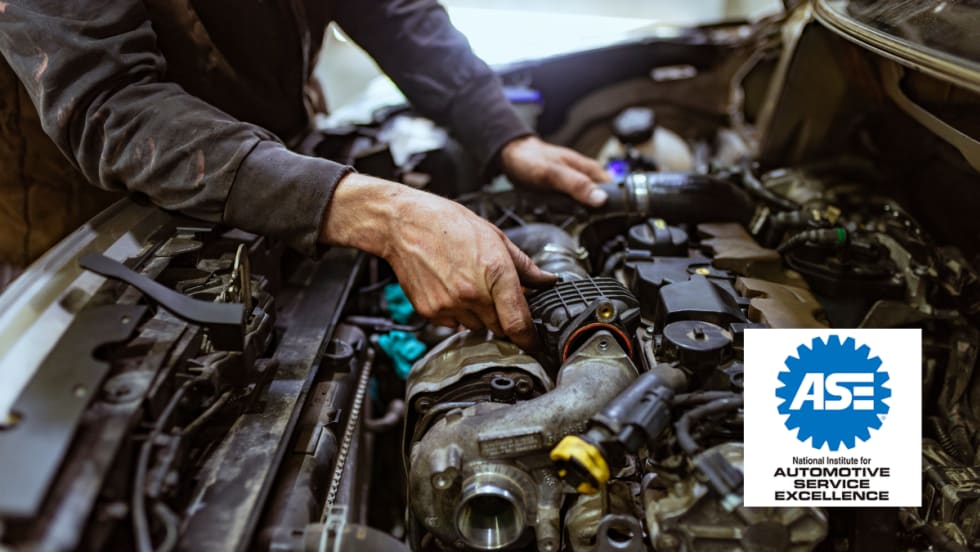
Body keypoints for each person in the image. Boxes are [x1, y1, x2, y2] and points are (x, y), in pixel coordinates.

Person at [0, 0, 610, 348]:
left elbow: (393, 10)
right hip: (89, 214)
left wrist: (503, 134)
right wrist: (382, 213)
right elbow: (111, 102)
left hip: (274, 146)